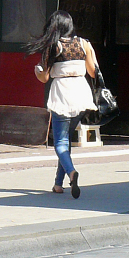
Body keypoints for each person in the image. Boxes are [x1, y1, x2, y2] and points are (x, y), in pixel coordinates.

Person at [27, 10, 97, 198]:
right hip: (81, 93)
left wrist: (37, 71)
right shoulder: (84, 44)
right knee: (66, 139)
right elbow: (92, 72)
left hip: (62, 92)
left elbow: (45, 77)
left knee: (60, 142)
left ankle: (72, 172)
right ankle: (58, 184)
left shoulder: (53, 46)